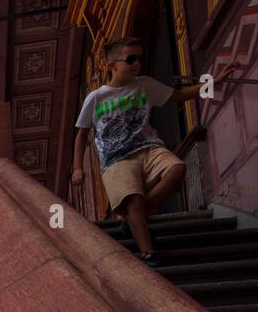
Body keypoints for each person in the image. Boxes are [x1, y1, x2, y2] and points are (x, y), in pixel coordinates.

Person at [73, 37, 236, 265]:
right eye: (131, 59)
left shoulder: (145, 84)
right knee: (134, 200)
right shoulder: (97, 97)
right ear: (113, 66)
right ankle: (149, 253)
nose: (137, 63)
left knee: (177, 168)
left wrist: (214, 82)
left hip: (149, 147)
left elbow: (177, 96)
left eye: (140, 58)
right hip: (115, 159)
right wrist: (78, 168)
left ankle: (136, 218)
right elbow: (81, 134)